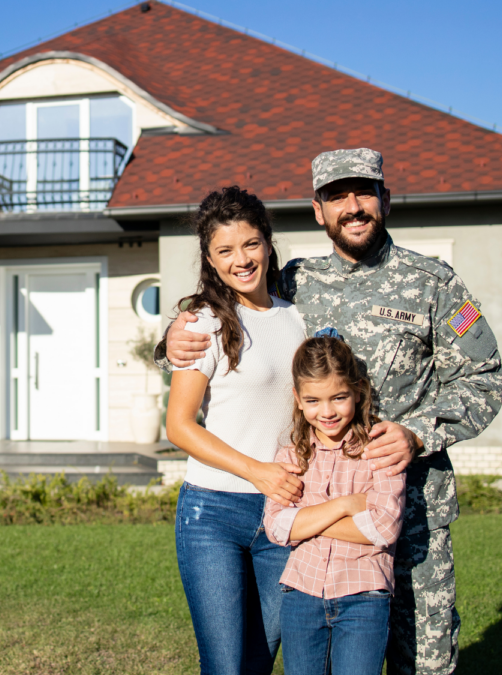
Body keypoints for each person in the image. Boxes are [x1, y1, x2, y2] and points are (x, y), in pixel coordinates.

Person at [158, 148, 502, 675]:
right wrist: (171, 340)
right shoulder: (295, 284)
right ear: (318, 211)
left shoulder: (434, 283)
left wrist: (416, 433)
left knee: (426, 663)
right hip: (317, 511)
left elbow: (484, 379)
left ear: (385, 199)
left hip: (413, 514)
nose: (353, 206)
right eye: (336, 196)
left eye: (364, 192)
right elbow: (232, 317)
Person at [164, 186, 308, 674]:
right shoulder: (203, 322)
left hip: (282, 514)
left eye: (250, 244)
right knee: (225, 666)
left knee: (258, 661)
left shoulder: (299, 317)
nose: (240, 259)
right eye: (224, 250)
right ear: (210, 258)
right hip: (213, 513)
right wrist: (257, 471)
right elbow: (179, 426)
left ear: (268, 243)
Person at [263, 332, 406, 675]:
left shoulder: (379, 452)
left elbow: (383, 528)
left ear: (358, 390)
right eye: (313, 400)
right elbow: (278, 527)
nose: (326, 412)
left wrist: (307, 522)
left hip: (364, 597)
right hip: (302, 595)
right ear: (297, 398)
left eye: (339, 398)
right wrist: (346, 505)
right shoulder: (292, 455)